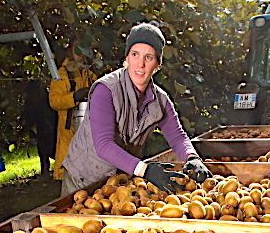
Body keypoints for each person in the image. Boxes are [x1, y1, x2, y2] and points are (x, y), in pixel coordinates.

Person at [61, 22, 212, 195]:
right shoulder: (106, 89)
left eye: (148, 57)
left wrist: (192, 158)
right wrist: (146, 171)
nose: (140, 64)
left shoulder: (160, 100)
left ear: (157, 65)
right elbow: (103, 145)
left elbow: (178, 136)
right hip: (83, 177)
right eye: (135, 54)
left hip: (120, 179)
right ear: (126, 59)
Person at [49, 42, 96, 180]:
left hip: (87, 126)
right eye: (77, 51)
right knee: (67, 169)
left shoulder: (87, 73)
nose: (81, 56)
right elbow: (54, 101)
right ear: (70, 51)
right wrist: (74, 97)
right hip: (68, 129)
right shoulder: (62, 74)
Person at [23, 80, 57, 181]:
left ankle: (50, 170)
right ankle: (46, 170)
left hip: (49, 126)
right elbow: (28, 116)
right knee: (44, 150)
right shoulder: (33, 100)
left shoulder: (46, 97)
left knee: (49, 148)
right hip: (42, 127)